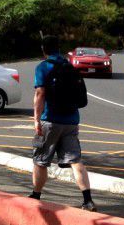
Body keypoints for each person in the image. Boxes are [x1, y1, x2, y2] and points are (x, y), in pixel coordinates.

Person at [30, 35, 96, 212]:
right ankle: (87, 200)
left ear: (44, 49)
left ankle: (36, 195)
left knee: (40, 160)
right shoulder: (69, 66)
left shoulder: (43, 67)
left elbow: (40, 94)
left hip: (49, 120)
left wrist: (36, 120)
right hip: (72, 121)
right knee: (75, 161)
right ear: (59, 48)